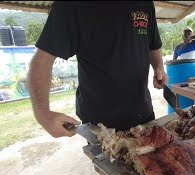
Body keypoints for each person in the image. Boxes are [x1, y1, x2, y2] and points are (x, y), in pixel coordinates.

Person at [27, 1, 168, 139]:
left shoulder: (145, 4)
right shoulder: (70, 5)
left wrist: (158, 68)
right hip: (100, 124)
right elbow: (41, 61)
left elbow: (153, 44)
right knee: (109, 161)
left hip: (143, 112)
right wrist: (43, 114)